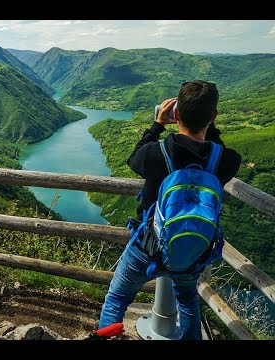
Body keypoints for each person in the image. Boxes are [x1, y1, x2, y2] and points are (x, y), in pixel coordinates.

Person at [97, 80, 242, 340]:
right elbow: (216, 146)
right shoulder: (227, 161)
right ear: (213, 116)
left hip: (146, 249)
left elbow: (134, 158)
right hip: (191, 253)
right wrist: (208, 124)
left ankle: (107, 337)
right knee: (187, 302)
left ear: (176, 113)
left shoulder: (157, 153)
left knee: (117, 297)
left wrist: (158, 124)